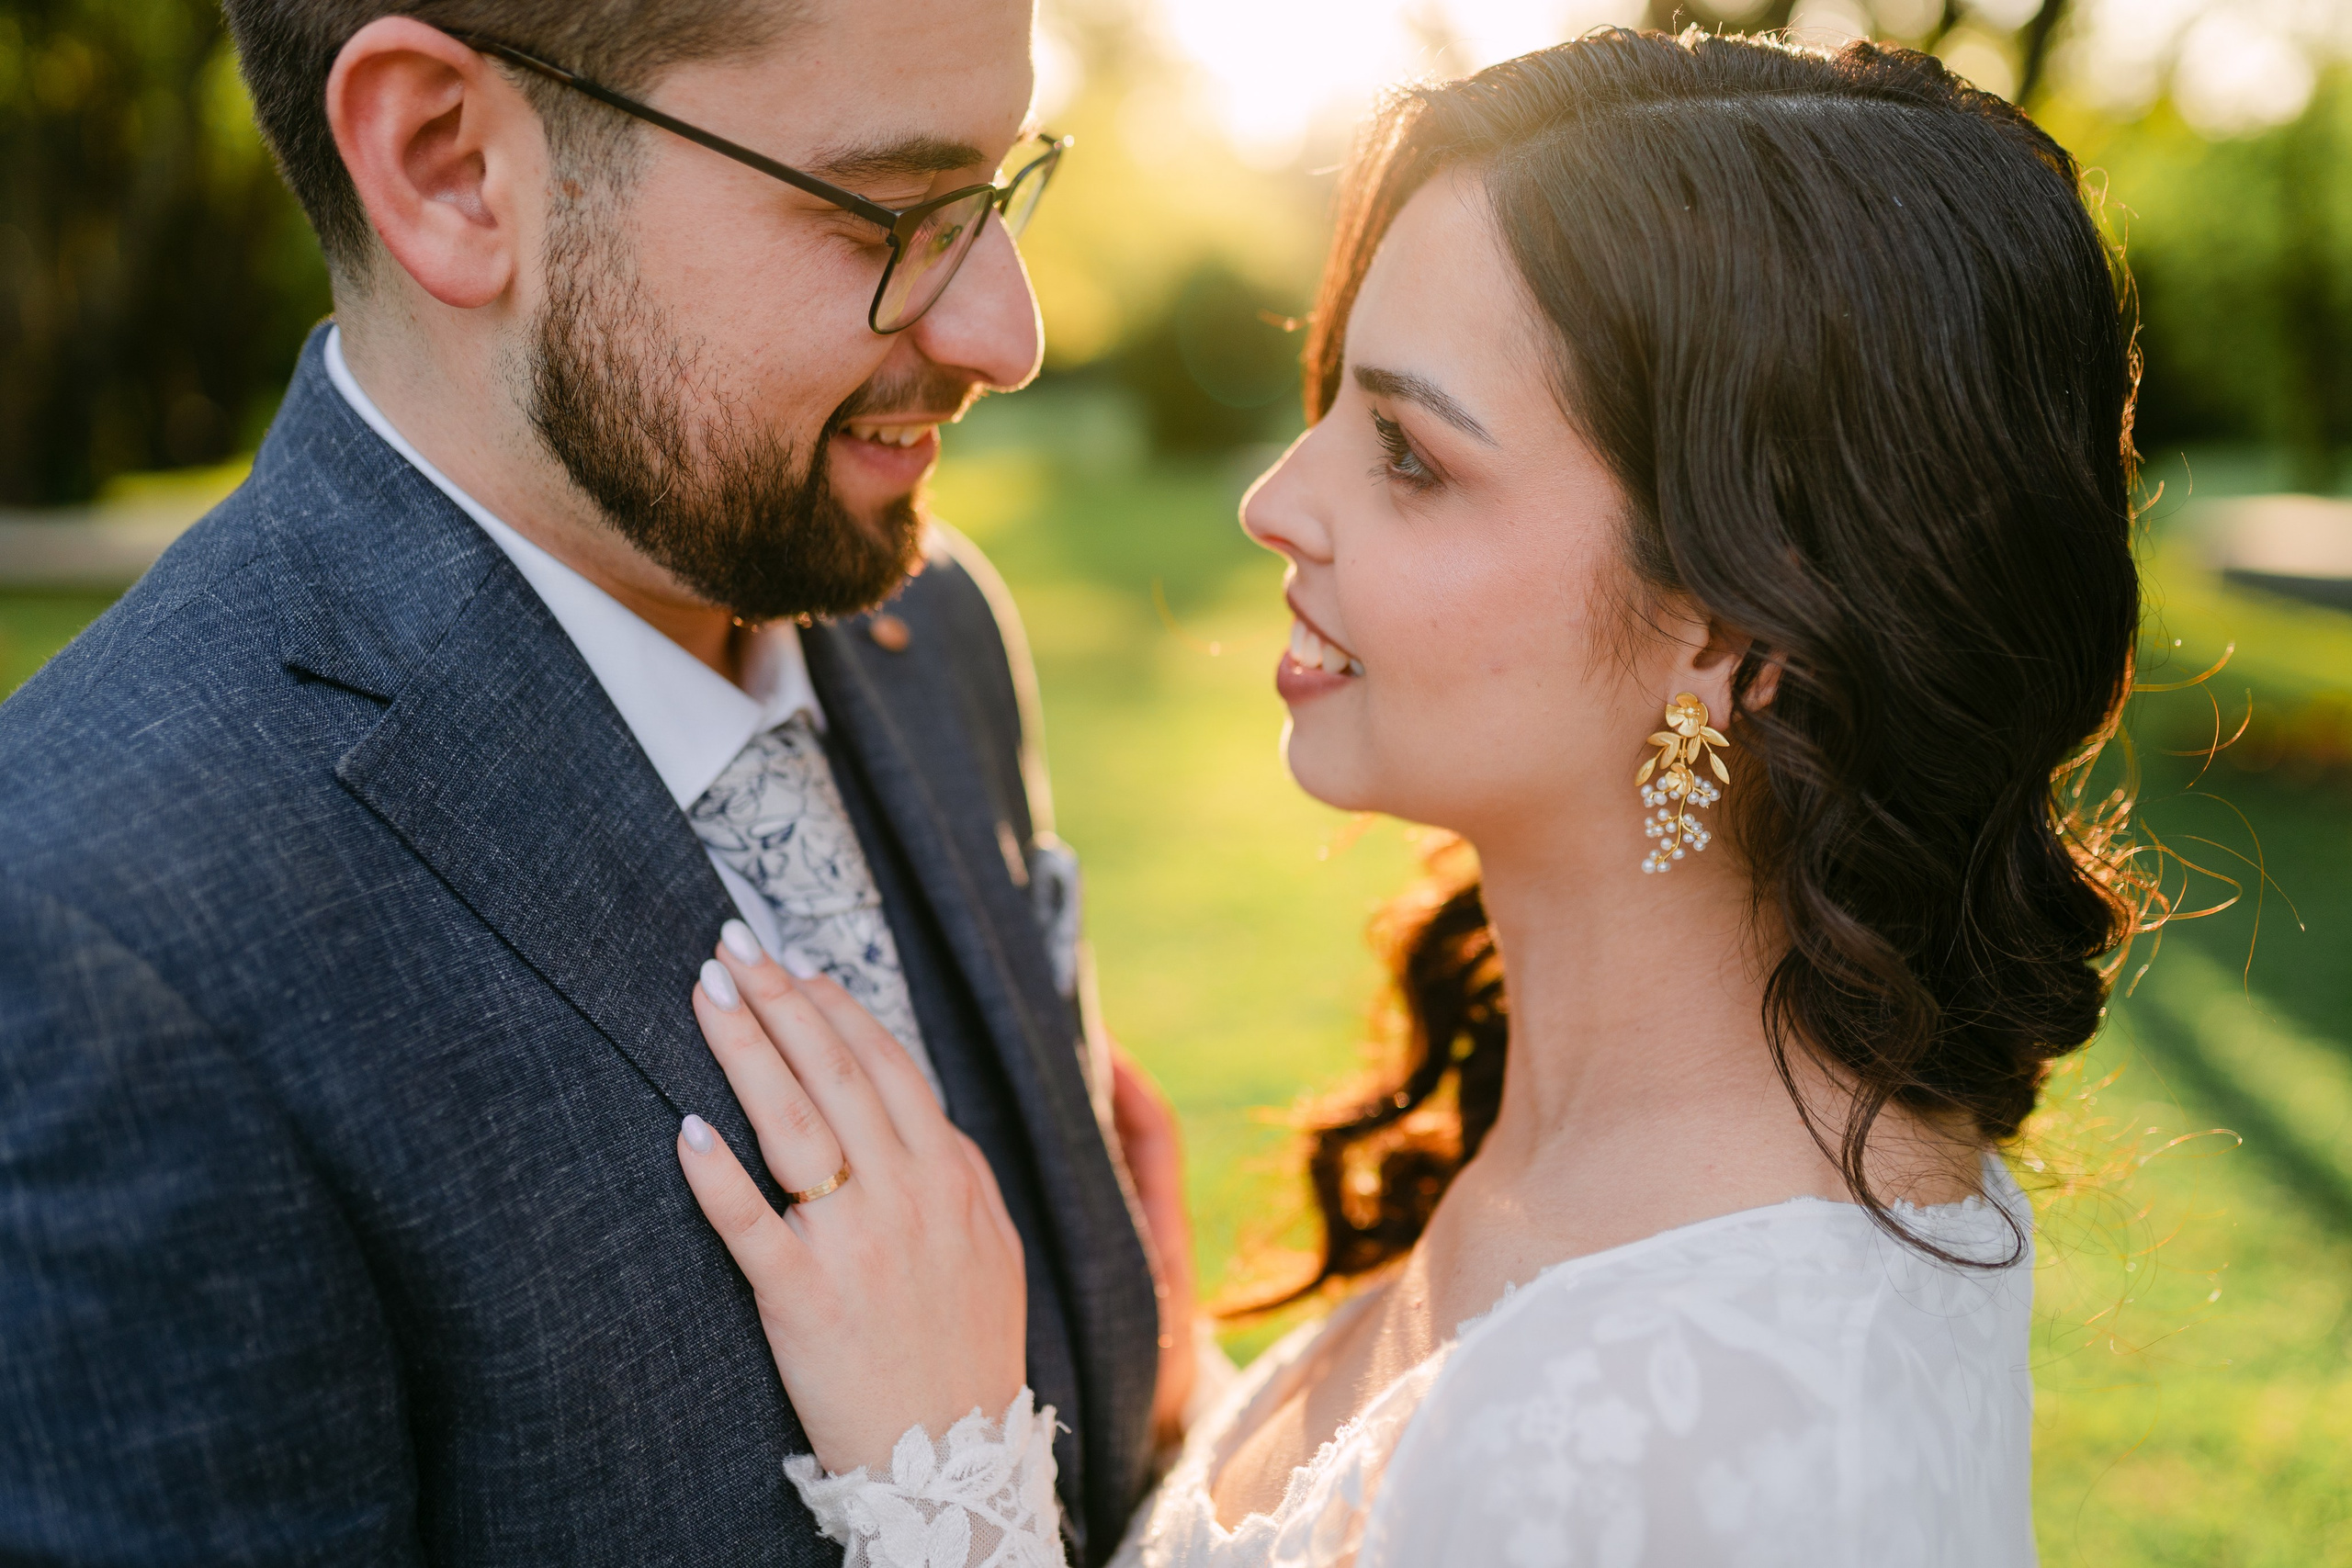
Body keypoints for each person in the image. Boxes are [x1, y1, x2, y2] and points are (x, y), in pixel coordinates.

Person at [664, 29, 2145, 1568]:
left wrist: (946, 1484)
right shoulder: (1650, 1171)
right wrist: (1185, 1416)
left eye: (1410, 455)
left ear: (1732, 632)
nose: (1274, 502)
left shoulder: (1708, 1429)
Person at [0, 2, 1180, 1562]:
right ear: (449, 165)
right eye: (892, 211)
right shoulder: (97, 936)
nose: (1005, 336)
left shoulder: (933, 627)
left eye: (1001, 185)